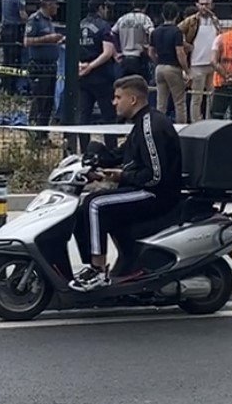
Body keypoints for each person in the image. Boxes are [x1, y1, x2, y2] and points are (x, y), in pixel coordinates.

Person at [70, 75, 182, 291]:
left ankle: (98, 271)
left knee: (95, 204)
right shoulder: (142, 123)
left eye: (118, 97)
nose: (114, 102)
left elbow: (155, 176)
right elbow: (121, 155)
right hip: (144, 189)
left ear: (132, 99)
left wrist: (122, 176)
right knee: (83, 208)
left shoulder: (151, 126)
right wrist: (96, 160)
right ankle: (114, 262)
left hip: (156, 195)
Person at [77, 0, 117, 152]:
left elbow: (71, 48)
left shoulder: (79, 25)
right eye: (106, 7)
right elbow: (108, 52)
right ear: (101, 8)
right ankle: (112, 151)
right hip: (102, 77)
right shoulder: (104, 26)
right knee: (108, 116)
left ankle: (85, 151)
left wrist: (81, 66)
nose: (107, 11)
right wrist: (91, 66)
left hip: (83, 77)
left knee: (83, 115)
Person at [24, 0, 64, 136]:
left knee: (47, 103)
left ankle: (43, 136)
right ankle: (35, 134)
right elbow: (27, 41)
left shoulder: (48, 21)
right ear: (48, 4)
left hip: (50, 66)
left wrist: (57, 40)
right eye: (55, 4)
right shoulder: (34, 20)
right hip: (39, 66)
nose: (57, 7)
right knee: (40, 101)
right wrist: (48, 39)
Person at [179, 0, 222, 122]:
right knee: (197, 96)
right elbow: (177, 31)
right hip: (197, 63)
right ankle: (195, 121)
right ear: (197, 5)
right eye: (202, 4)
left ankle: (209, 120)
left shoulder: (215, 20)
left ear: (212, 6)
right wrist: (186, 45)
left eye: (207, 4)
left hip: (212, 63)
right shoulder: (192, 20)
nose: (204, 7)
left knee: (211, 95)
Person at [149, 1, 188, 124]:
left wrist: (157, 62)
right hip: (173, 68)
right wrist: (186, 70)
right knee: (179, 102)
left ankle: (159, 126)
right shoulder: (176, 32)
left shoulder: (155, 31)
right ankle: (181, 129)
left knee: (161, 102)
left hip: (160, 67)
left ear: (162, 15)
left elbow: (151, 52)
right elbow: (180, 52)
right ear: (177, 15)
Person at [112, 0, 153, 79]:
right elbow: (152, 33)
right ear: (146, 6)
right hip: (139, 59)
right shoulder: (144, 18)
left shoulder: (122, 18)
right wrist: (148, 46)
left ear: (133, 4)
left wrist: (117, 51)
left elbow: (112, 34)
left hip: (123, 59)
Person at [0, 0, 28, 95]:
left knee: (6, 58)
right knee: (15, 59)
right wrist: (30, 21)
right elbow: (22, 15)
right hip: (15, 30)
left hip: (5, 29)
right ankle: (12, 88)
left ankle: (5, 85)